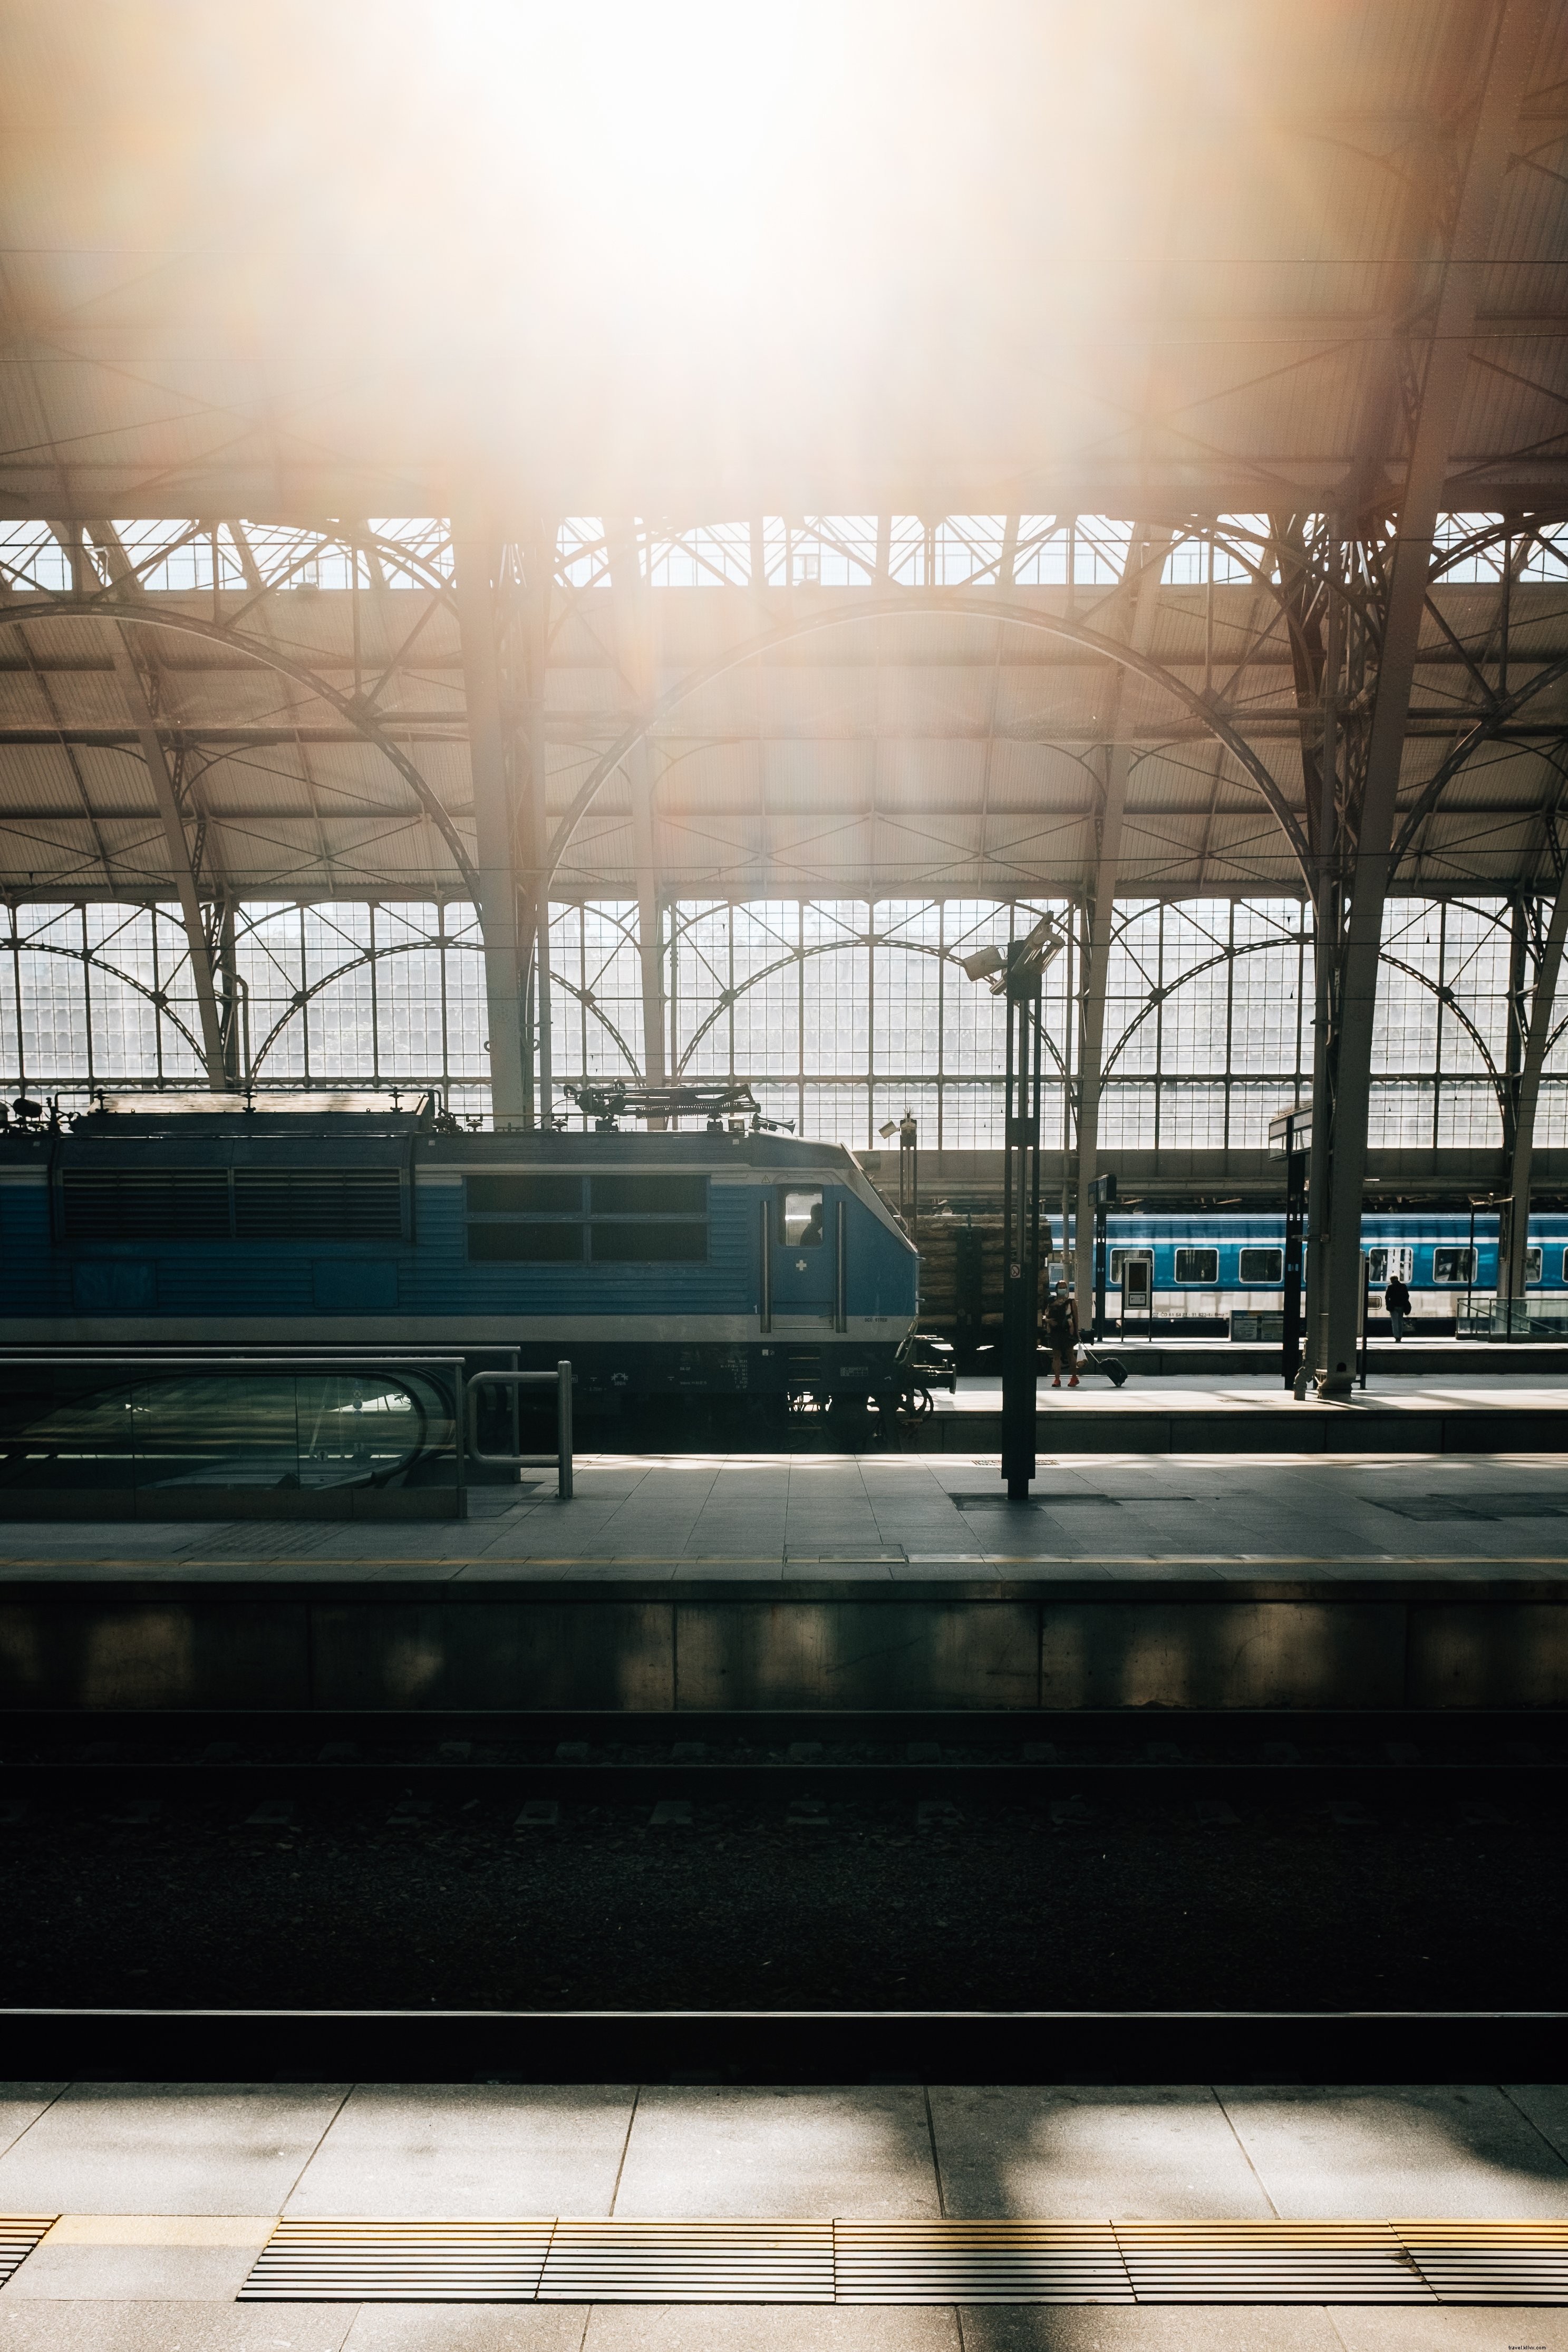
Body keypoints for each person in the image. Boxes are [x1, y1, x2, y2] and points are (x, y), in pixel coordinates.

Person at [1043, 1281, 1079, 1388]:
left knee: (1070, 1353)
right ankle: (1057, 1379)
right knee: (1056, 1356)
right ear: (1057, 1289)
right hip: (1055, 1332)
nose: (1063, 1289)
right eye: (1061, 1287)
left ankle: (1074, 1377)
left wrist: (1077, 1332)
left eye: (1064, 1287)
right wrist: (1049, 1321)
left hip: (1067, 1331)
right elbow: (1045, 1316)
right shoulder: (1051, 1302)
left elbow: (1076, 1317)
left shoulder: (1071, 1302)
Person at [1385, 1271, 1411, 1341]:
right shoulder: (1403, 1286)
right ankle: (1400, 1336)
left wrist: (1388, 1304)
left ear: (1392, 1280)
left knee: (1395, 1322)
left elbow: (1387, 1297)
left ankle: (1397, 1337)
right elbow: (1407, 1296)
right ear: (1397, 1279)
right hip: (1402, 1306)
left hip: (1393, 1307)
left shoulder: (1390, 1287)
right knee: (1400, 1322)